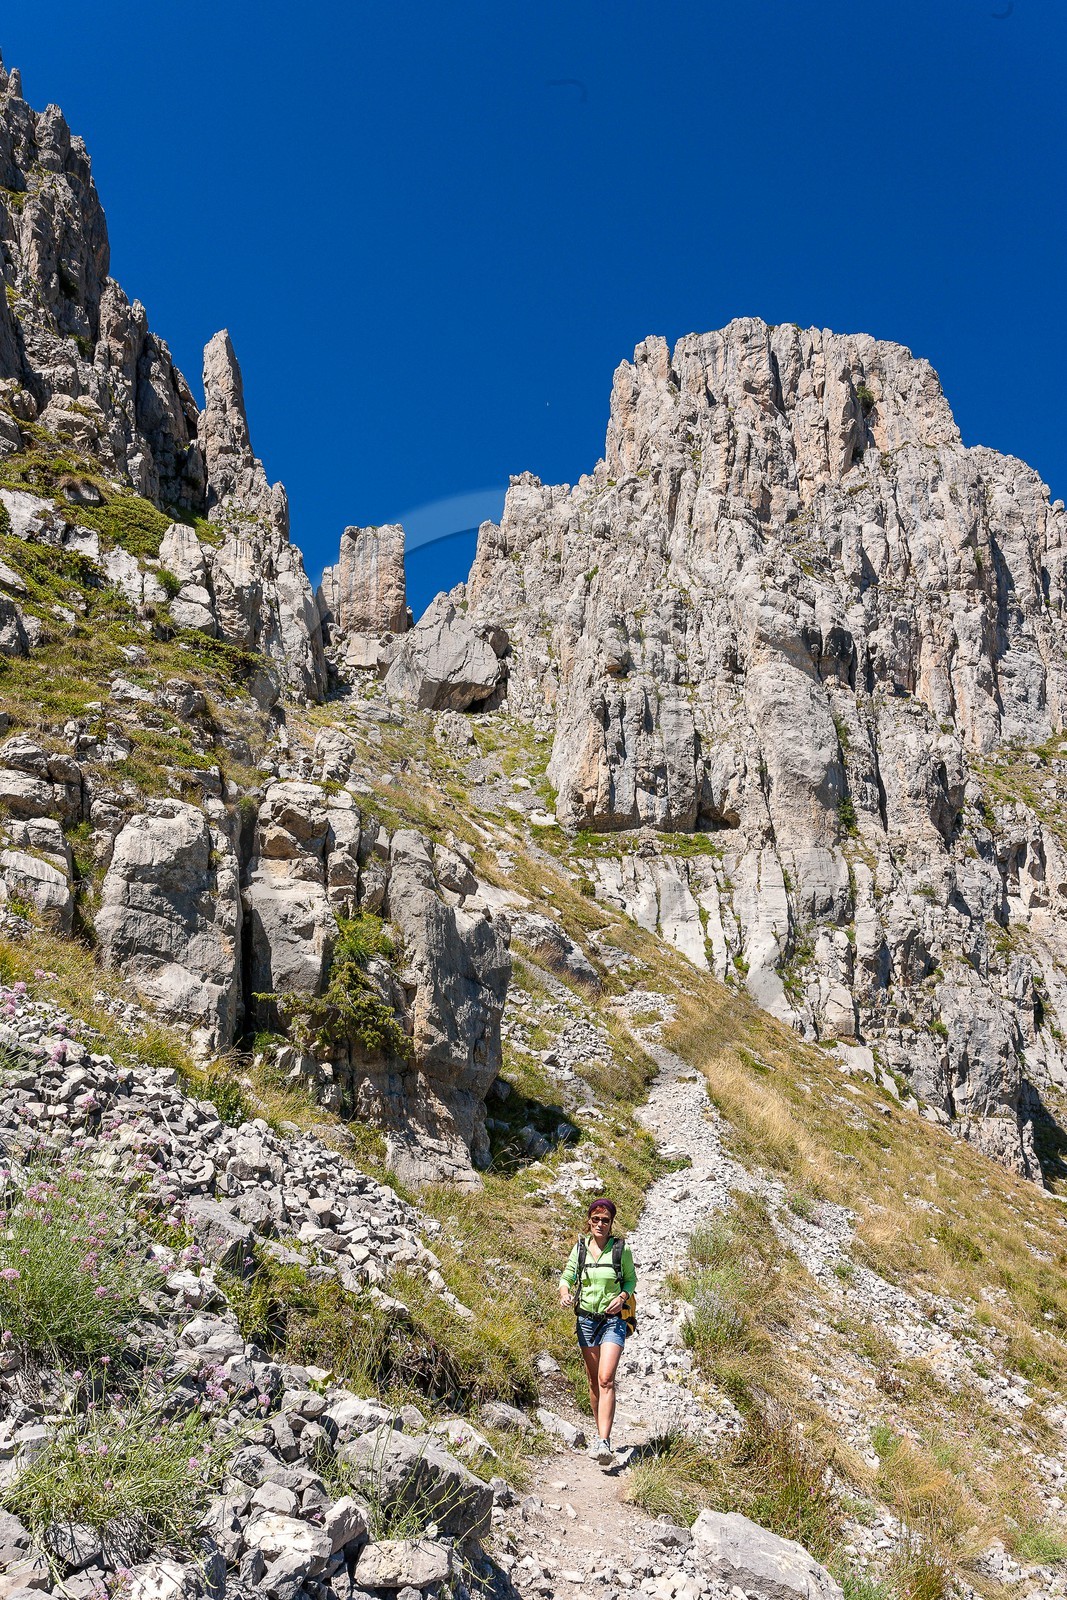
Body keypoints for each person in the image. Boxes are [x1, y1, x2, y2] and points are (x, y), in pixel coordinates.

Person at [558, 1197, 636, 1466]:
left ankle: (604, 1441)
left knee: (606, 1379)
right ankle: (599, 1433)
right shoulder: (580, 1248)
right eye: (596, 1219)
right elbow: (567, 1276)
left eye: (605, 1220)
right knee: (593, 1381)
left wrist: (622, 1297)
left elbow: (631, 1280)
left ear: (611, 1223)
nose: (600, 1224)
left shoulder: (621, 1250)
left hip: (613, 1320)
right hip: (586, 1321)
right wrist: (565, 1293)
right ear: (589, 1221)